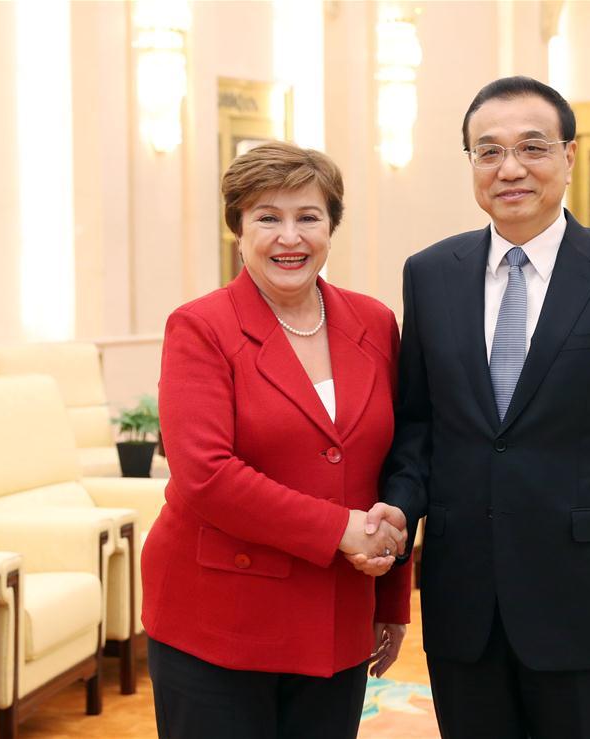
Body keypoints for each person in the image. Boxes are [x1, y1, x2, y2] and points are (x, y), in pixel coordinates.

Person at [363, 76, 590, 738]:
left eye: (532, 147)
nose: (509, 168)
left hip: (588, 600)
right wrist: (398, 508)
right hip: (465, 602)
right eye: (488, 151)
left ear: (569, 156)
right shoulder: (430, 274)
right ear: (472, 164)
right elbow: (420, 425)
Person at [141, 141, 411, 739]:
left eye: (308, 217)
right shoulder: (200, 327)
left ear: (331, 228)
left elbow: (392, 464)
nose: (290, 237)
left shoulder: (374, 323)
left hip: (338, 614)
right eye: (268, 217)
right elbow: (206, 475)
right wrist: (340, 529)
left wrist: (390, 600)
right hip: (218, 621)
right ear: (238, 230)